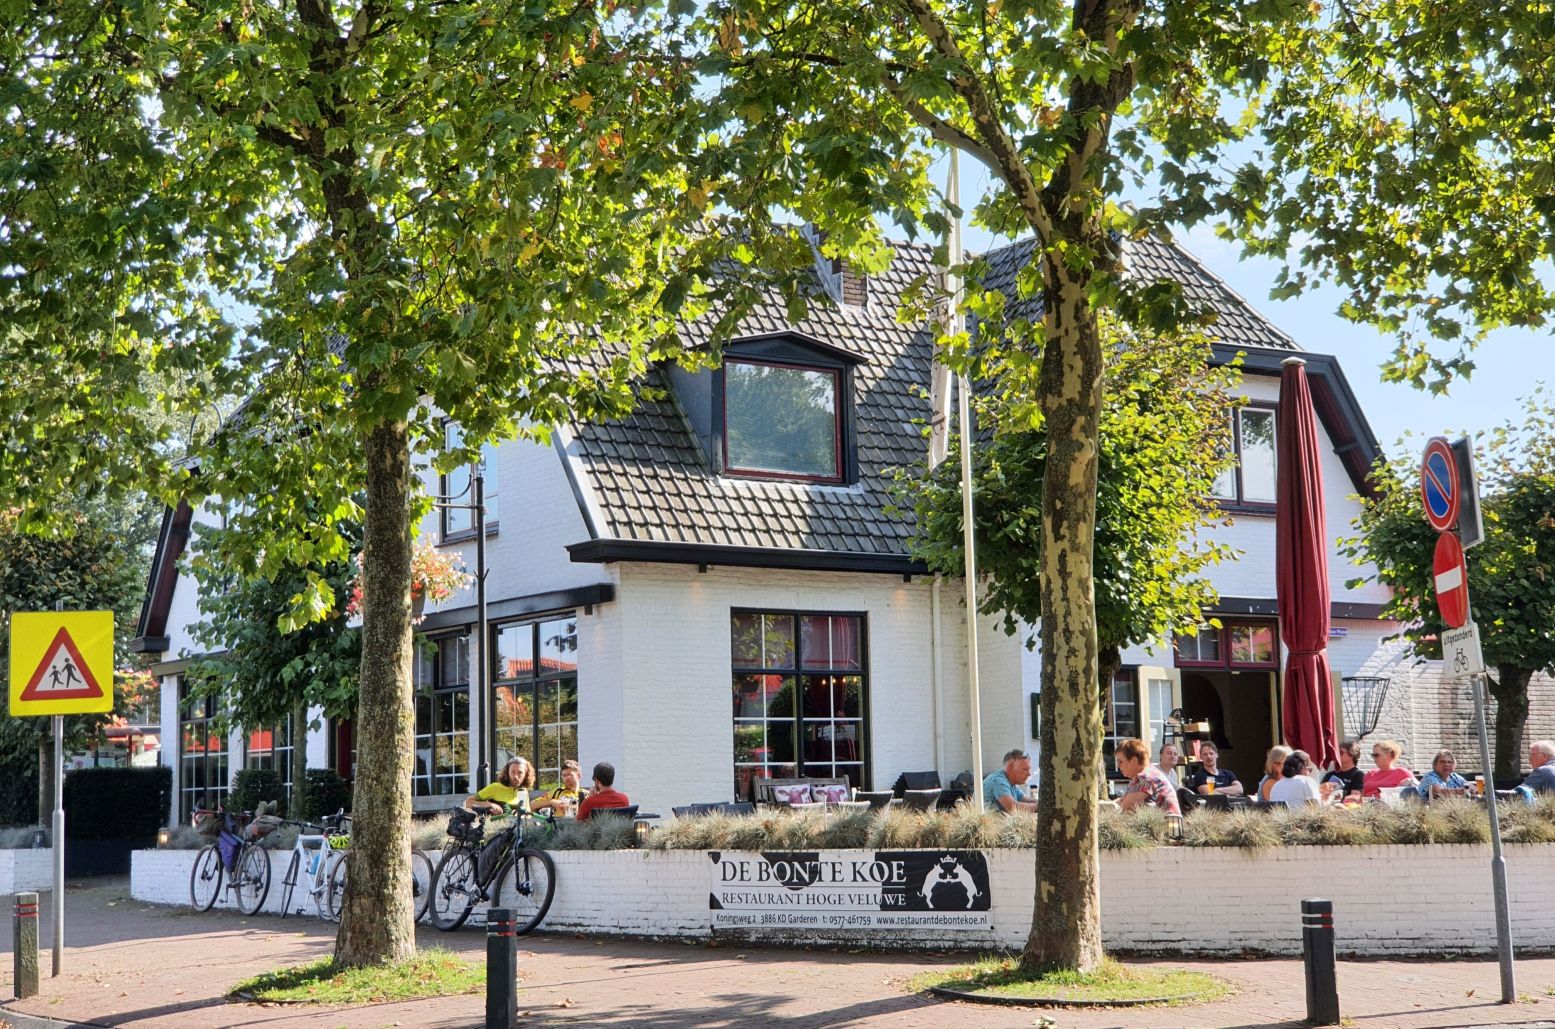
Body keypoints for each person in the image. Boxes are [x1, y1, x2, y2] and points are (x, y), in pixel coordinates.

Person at [1117, 738, 1181, 815]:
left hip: (1164, 825)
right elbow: (1122, 800)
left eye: (1120, 761)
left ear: (1133, 760)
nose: (1118, 765)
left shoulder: (1145, 778)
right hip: (1165, 824)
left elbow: (1125, 808)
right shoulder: (1148, 772)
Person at [464, 757, 535, 816]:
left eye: (520, 772)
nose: (516, 776)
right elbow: (468, 803)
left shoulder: (524, 791)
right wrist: (489, 805)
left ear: (526, 775)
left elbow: (528, 815)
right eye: (513, 772)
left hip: (519, 831)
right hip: (495, 831)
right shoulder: (495, 787)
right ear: (507, 773)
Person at [983, 749, 1038, 814]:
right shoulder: (998, 781)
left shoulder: (1011, 783)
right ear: (1010, 767)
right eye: (1025, 769)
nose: (1029, 774)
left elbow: (1028, 801)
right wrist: (1039, 806)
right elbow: (1012, 808)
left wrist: (1045, 803)